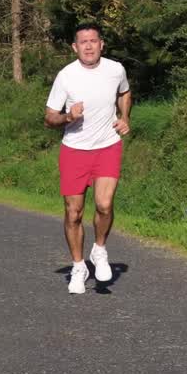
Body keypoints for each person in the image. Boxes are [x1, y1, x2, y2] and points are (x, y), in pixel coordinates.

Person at [44, 23, 132, 294]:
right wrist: (69, 117)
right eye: (83, 42)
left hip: (107, 146)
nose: (89, 46)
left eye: (94, 41)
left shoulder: (115, 69)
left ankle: (100, 249)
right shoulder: (66, 76)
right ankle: (78, 266)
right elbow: (49, 118)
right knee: (74, 213)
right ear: (75, 47)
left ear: (101, 44)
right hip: (74, 150)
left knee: (104, 205)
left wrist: (125, 117)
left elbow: (124, 92)